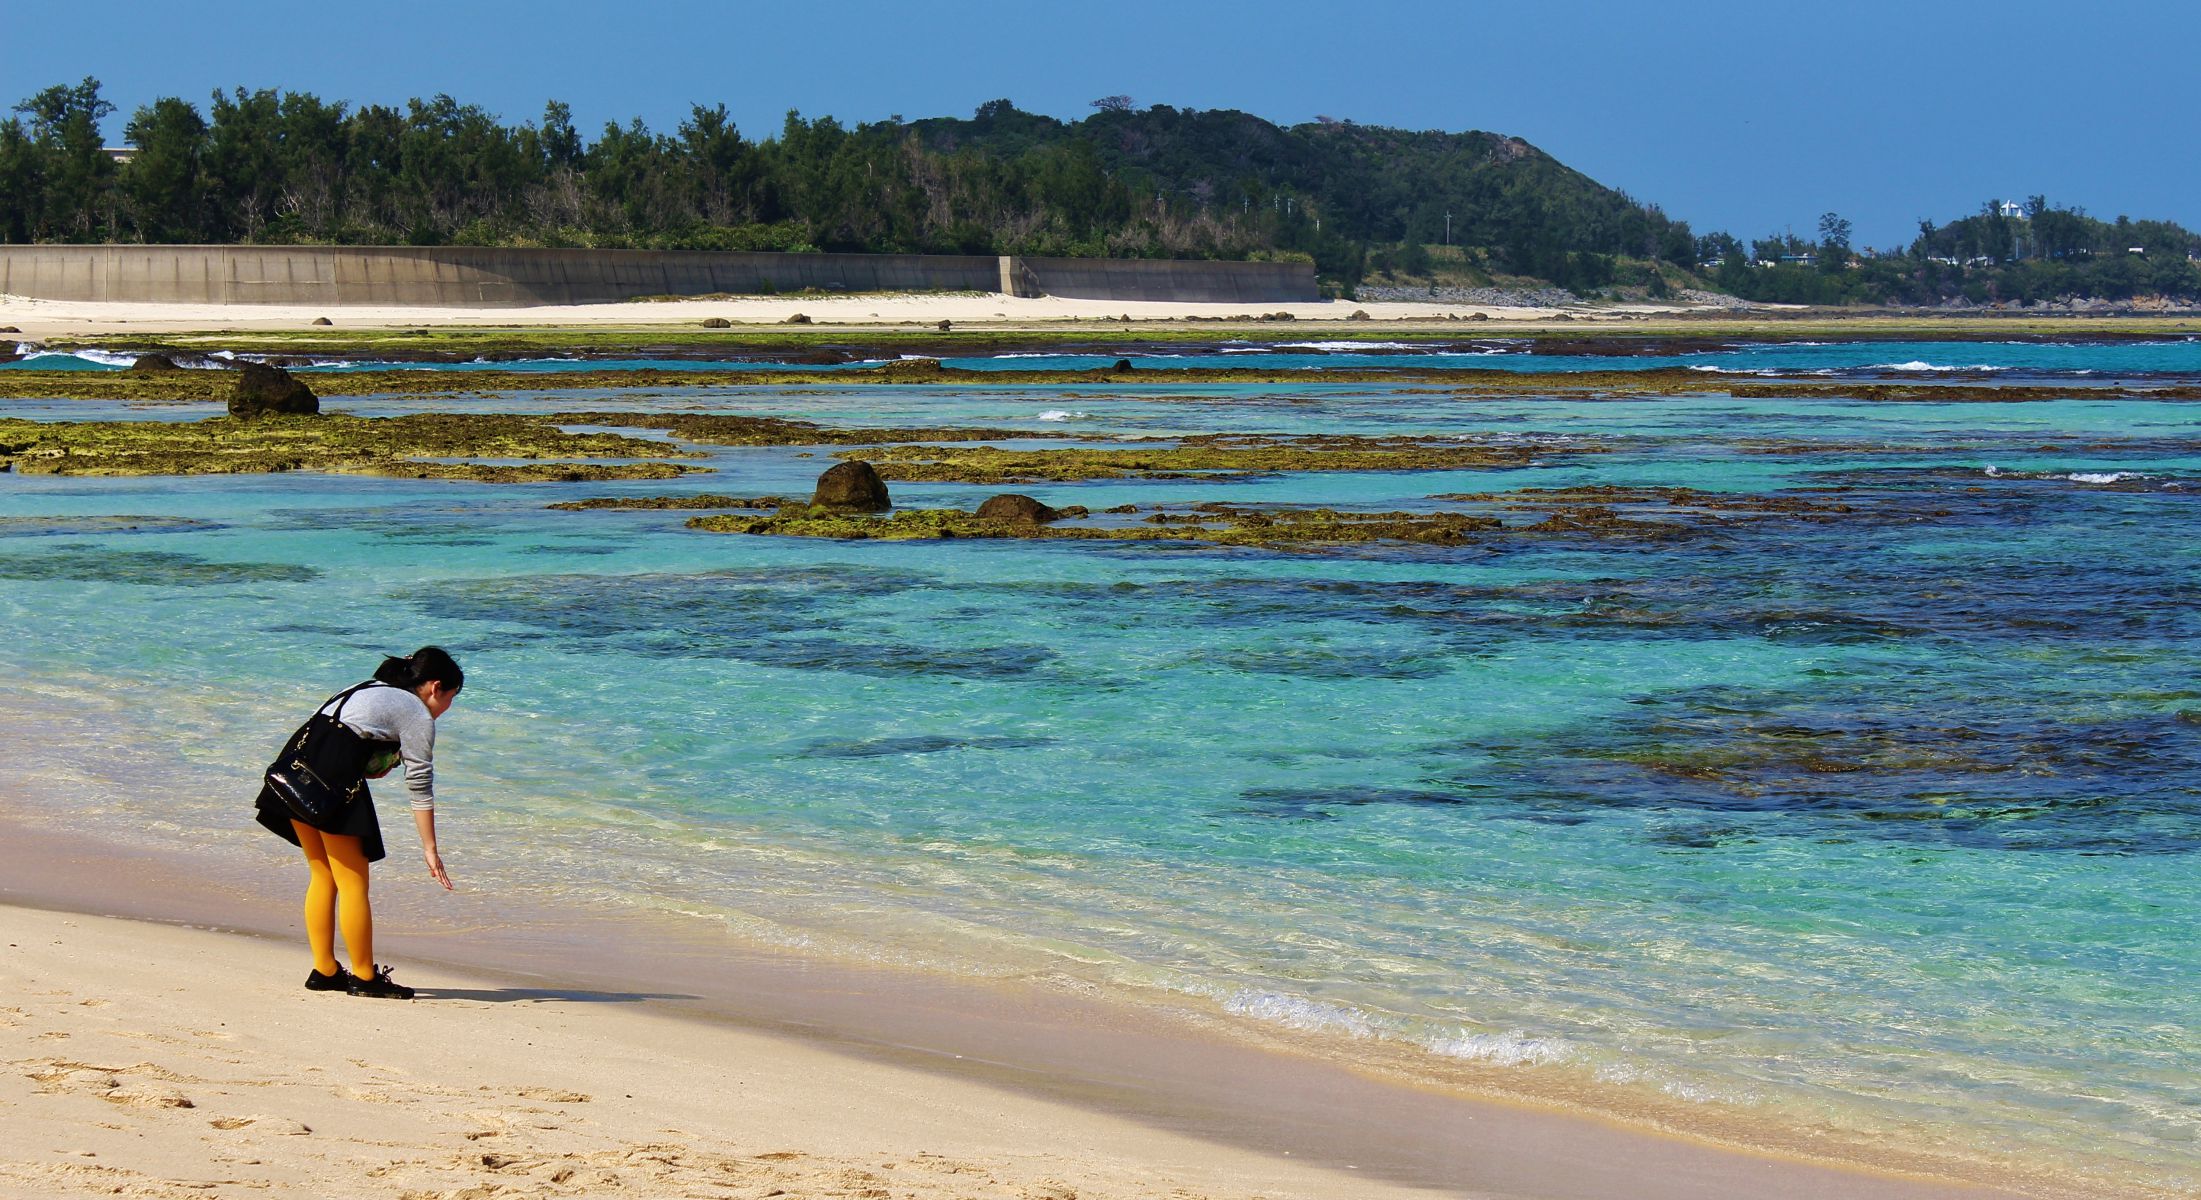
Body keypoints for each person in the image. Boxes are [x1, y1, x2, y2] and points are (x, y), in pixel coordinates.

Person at [254, 646, 464, 999]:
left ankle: (325, 970)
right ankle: (365, 978)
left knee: (322, 874)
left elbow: (348, 736)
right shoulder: (415, 711)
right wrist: (431, 849)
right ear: (435, 686)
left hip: (296, 771)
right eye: (451, 698)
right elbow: (420, 782)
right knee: (353, 884)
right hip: (332, 780)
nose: (447, 708)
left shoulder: (367, 687)